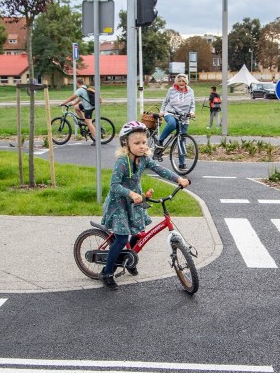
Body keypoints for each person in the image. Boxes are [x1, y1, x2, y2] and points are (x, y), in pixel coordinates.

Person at [98, 121, 191, 289]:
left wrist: (179, 179)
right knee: (120, 239)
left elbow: (161, 170)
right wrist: (131, 193)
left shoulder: (144, 160)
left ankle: (128, 258)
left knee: (140, 233)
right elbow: (114, 185)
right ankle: (107, 272)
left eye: (144, 142)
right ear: (126, 143)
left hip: (136, 201)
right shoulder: (122, 162)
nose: (142, 146)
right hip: (119, 202)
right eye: (137, 143)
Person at [154, 73, 195, 170]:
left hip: (184, 117)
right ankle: (160, 141)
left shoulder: (190, 91)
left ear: (186, 82)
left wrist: (192, 112)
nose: (181, 83)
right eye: (179, 81)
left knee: (181, 140)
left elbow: (192, 104)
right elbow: (165, 101)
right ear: (177, 82)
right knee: (172, 124)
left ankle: (182, 164)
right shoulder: (171, 90)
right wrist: (162, 112)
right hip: (170, 113)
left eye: (183, 81)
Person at [61, 78, 96, 143]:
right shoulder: (85, 88)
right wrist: (74, 103)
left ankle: (97, 139)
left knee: (89, 123)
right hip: (87, 105)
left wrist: (64, 103)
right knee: (76, 107)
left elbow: (72, 97)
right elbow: (81, 98)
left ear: (77, 83)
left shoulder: (80, 90)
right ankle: (84, 120)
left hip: (88, 107)